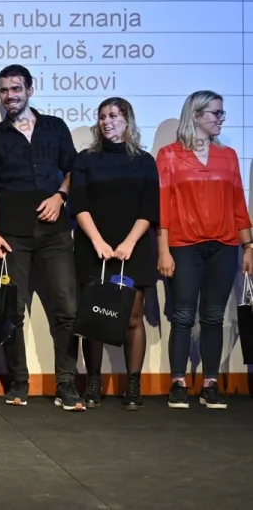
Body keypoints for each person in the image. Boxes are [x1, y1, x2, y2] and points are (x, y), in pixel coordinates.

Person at [0, 63, 83, 411]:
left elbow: (73, 170)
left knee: (67, 309)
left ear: (30, 90)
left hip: (55, 234)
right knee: (12, 311)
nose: (10, 96)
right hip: (11, 236)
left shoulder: (55, 127)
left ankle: (66, 383)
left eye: (16, 89)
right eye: (4, 90)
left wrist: (60, 196)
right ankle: (18, 382)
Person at [156, 90, 253, 410]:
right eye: (216, 113)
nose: (221, 119)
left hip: (223, 247)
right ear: (196, 115)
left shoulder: (229, 156)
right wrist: (163, 249)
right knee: (183, 315)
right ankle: (178, 383)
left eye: (222, 113)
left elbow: (238, 205)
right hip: (184, 246)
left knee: (214, 317)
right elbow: (163, 206)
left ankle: (210, 384)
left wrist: (248, 246)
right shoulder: (169, 155)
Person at [69, 97, 159, 410]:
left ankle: (133, 385)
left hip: (133, 248)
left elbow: (149, 209)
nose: (107, 121)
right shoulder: (85, 159)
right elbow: (78, 204)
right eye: (103, 116)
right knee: (93, 316)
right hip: (94, 248)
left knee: (133, 317)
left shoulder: (144, 161)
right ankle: (93, 382)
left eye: (114, 116)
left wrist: (129, 243)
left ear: (128, 120)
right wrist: (97, 242)